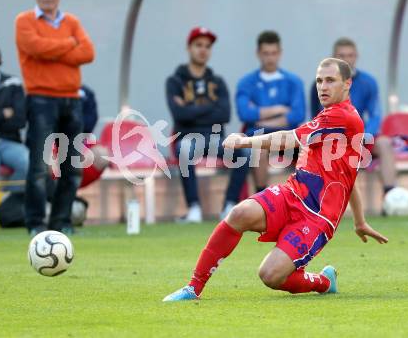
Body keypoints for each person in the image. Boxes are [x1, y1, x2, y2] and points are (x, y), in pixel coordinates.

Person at [163, 57, 388, 302]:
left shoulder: (341, 117)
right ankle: (193, 288)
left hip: (317, 217)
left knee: (270, 275)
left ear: (347, 84)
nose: (323, 87)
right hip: (293, 193)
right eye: (319, 81)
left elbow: (289, 138)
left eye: (330, 81)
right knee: (240, 214)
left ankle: (323, 281)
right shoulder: (332, 119)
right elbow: (349, 176)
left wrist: (244, 141)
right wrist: (359, 220)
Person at [15, 0, 94, 236]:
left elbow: (88, 52)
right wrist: (68, 45)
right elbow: (35, 48)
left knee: (72, 166)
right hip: (40, 100)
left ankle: (61, 222)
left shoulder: (71, 21)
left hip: (71, 99)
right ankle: (36, 223)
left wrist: (53, 49)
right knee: (38, 166)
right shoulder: (24, 21)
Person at [166, 27, 250, 223]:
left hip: (215, 140)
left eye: (207, 46)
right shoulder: (175, 81)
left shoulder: (217, 82)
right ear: (189, 48)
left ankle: (229, 206)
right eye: (198, 45)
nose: (203, 50)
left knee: (247, 151)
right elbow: (179, 114)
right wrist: (210, 109)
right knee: (185, 148)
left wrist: (191, 109)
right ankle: (193, 208)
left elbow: (225, 114)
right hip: (188, 138)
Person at [310, 38, 396, 204]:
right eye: (341, 55)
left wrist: (364, 135)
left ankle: (390, 198)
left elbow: (375, 114)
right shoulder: (321, 84)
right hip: (334, 140)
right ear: (333, 57)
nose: (346, 59)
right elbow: (319, 117)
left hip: (361, 137)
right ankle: (323, 202)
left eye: (350, 55)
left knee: (384, 144)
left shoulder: (368, 82)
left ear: (356, 56)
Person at [236, 31, 305, 193]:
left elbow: (298, 114)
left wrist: (262, 117)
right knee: (258, 148)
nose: (270, 58)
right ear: (258, 54)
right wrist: (279, 109)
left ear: (280, 53)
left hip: (288, 137)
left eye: (274, 53)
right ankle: (261, 196)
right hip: (260, 136)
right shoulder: (246, 83)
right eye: (266, 53)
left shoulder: (294, 82)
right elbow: (244, 114)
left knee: (309, 147)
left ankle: (306, 197)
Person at [0, 36, 28, 206]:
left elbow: (20, 120)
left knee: (31, 165)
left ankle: (5, 201)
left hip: (9, 141)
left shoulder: (12, 83)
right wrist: (2, 114)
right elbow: (9, 116)